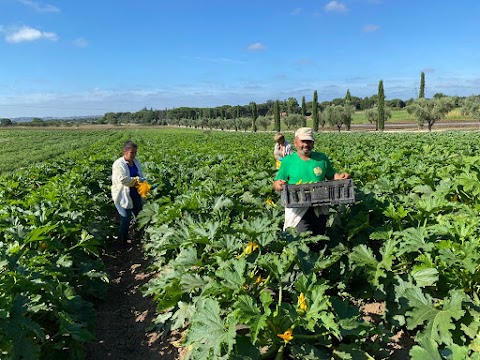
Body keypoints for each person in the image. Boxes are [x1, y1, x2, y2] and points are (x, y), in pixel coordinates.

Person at [273, 127, 350, 239]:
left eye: (309, 141)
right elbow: (276, 183)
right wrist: (278, 185)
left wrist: (341, 177)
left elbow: (332, 175)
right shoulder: (288, 161)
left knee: (318, 240)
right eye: (303, 141)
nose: (306, 144)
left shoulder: (321, 158)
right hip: (298, 210)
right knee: (300, 241)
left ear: (313, 143)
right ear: (295, 142)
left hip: (319, 207)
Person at [111, 140, 144, 245]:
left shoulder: (136, 162)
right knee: (125, 219)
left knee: (139, 217)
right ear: (125, 152)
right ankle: (123, 241)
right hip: (123, 195)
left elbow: (141, 175)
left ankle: (137, 236)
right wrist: (137, 180)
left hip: (135, 194)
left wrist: (144, 182)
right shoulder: (118, 164)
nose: (134, 155)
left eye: (135, 152)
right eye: (132, 153)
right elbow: (123, 180)